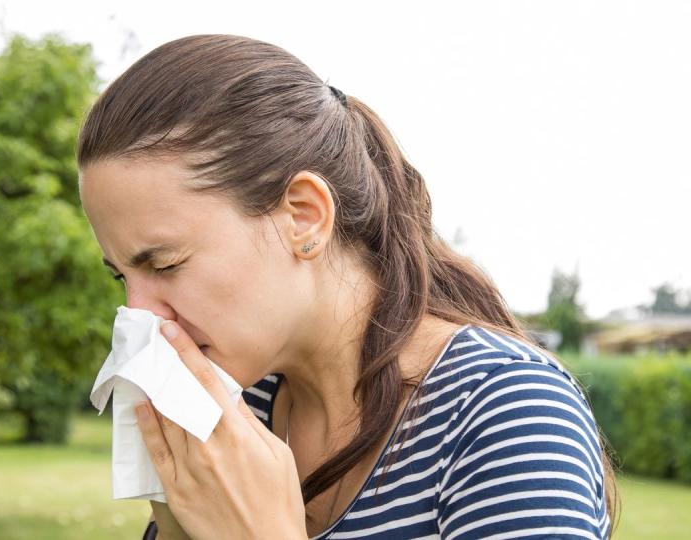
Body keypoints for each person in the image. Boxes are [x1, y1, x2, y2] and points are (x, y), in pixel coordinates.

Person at [76, 34, 617, 540]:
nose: (140, 314)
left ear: (304, 217)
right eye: (123, 275)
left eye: (166, 265)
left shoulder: (506, 414)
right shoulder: (241, 411)